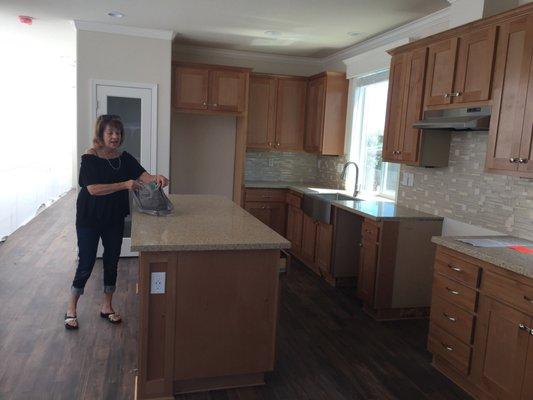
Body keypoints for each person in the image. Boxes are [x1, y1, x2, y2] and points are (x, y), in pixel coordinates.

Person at [64, 114, 168, 329]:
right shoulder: (90, 157)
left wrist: (158, 178)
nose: (114, 136)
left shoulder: (125, 158)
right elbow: (93, 189)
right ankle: (71, 307)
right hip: (89, 219)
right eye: (110, 132)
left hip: (114, 218)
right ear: (101, 134)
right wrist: (124, 184)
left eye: (118, 133)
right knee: (86, 262)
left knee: (112, 262)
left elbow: (143, 176)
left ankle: (107, 306)